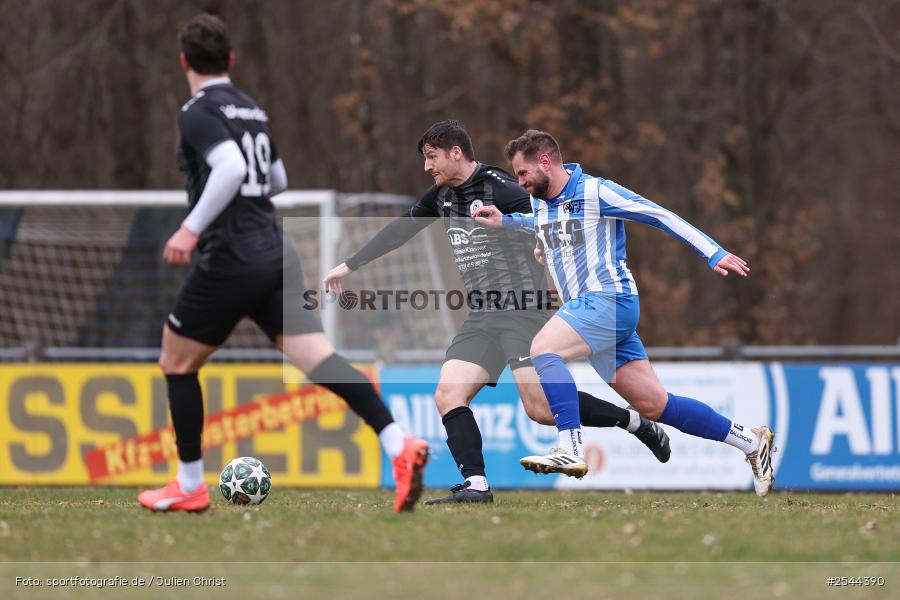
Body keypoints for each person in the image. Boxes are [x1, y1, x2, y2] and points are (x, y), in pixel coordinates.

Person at [137, 13, 428, 514]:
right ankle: (399, 442)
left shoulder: (196, 111)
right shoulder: (252, 108)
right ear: (230, 60)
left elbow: (230, 168)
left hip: (230, 255)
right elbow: (277, 178)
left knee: (176, 361)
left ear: (184, 61)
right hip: (275, 250)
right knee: (319, 358)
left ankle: (188, 484)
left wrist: (191, 227)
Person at [324, 120, 670, 504]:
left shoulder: (501, 186)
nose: (427, 167)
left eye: (431, 157)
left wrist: (543, 247)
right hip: (482, 315)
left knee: (540, 409)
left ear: (456, 153)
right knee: (448, 393)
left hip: (524, 310)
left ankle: (634, 421)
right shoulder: (439, 196)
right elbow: (403, 228)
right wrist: (350, 265)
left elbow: (547, 218)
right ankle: (476, 485)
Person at [474, 129, 775, 496]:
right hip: (592, 314)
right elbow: (538, 223)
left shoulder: (597, 191)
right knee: (655, 405)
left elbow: (657, 215)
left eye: (522, 174)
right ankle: (751, 442)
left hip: (609, 300)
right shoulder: (539, 202)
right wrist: (505, 221)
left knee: (543, 350)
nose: (519, 182)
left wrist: (711, 252)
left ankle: (569, 448)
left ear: (545, 162)